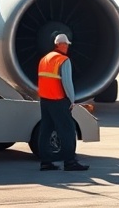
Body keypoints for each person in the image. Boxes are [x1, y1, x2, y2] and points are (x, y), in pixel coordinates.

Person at [37, 33, 89, 171]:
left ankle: (45, 162)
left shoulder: (44, 59)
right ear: (61, 45)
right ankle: (70, 162)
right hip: (58, 100)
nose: (67, 47)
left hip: (45, 100)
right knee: (68, 131)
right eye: (66, 44)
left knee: (46, 130)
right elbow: (67, 82)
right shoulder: (63, 60)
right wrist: (72, 100)